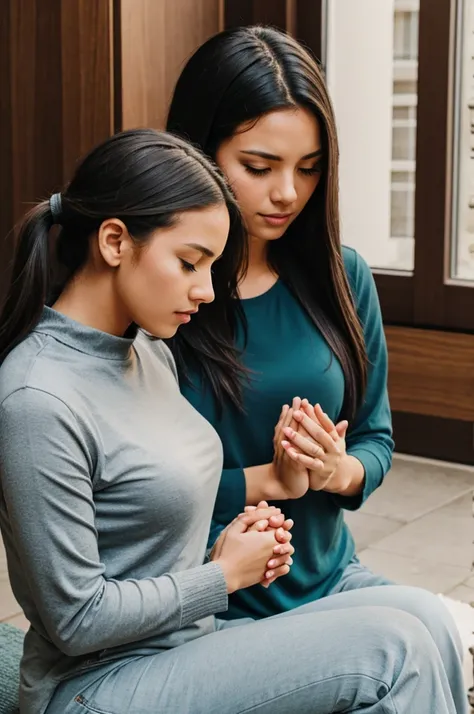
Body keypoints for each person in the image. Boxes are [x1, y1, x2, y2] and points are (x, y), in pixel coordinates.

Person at [0, 127, 461, 714]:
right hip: (96, 685)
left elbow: (142, 527)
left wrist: (249, 521)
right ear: (114, 241)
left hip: (184, 648)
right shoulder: (37, 397)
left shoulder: (149, 352)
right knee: (393, 650)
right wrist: (222, 576)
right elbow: (77, 619)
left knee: (426, 617)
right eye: (190, 263)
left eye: (213, 267)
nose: (206, 291)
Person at [166, 25, 468, 712]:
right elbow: (137, 491)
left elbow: (376, 437)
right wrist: (268, 480)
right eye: (259, 165)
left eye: (308, 168)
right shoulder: (167, 297)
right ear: (198, 150)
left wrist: (337, 472)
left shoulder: (340, 278)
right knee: (405, 652)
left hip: (330, 578)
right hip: (216, 602)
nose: (286, 193)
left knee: (439, 631)